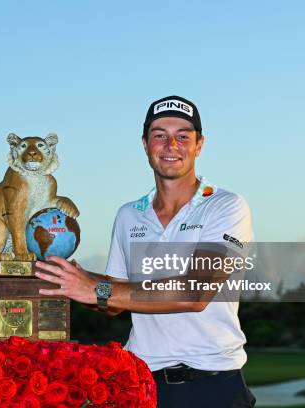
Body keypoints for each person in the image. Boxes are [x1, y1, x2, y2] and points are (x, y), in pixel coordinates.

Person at [35, 95, 256, 407]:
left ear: (199, 145)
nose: (171, 145)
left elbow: (194, 293)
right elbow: (112, 302)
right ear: (145, 143)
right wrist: (71, 280)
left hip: (213, 384)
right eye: (159, 135)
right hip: (143, 384)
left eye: (183, 136)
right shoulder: (129, 215)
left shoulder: (225, 206)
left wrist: (95, 288)